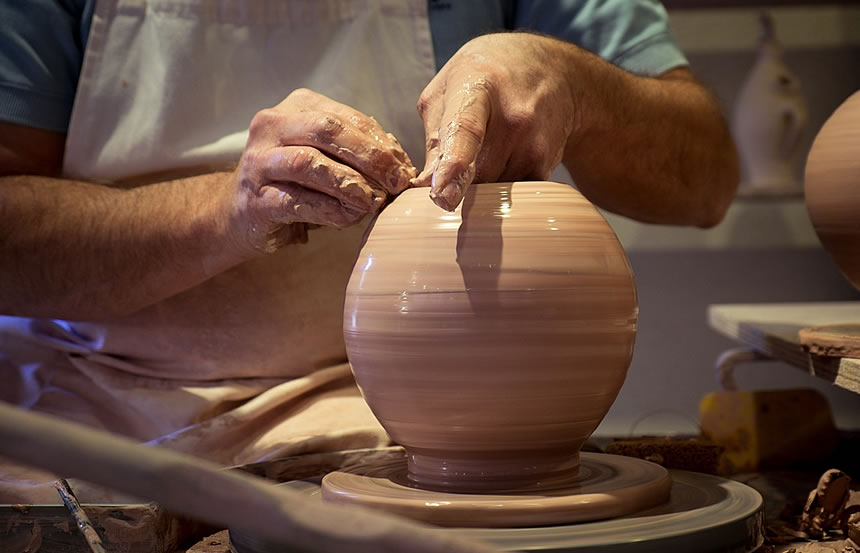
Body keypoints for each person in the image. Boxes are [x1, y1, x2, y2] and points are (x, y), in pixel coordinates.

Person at [0, 0, 738, 502]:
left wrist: (580, 84)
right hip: (77, 403)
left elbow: (705, 180)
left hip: (382, 420)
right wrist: (226, 210)